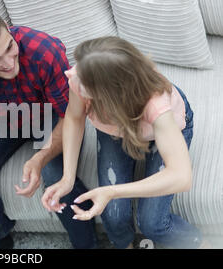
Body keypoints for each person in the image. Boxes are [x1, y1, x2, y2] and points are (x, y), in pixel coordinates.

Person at [0, 2, 97, 249]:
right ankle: (0, 243)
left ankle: (87, 244)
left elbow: (70, 116)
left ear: (7, 28)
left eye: (9, 47)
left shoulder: (44, 50)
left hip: (49, 115)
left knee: (53, 174)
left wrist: (41, 157)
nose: (8, 62)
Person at [42, 36, 207, 249]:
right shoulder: (80, 77)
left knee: (152, 223)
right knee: (113, 215)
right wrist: (67, 178)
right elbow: (74, 118)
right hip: (115, 130)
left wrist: (113, 191)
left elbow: (181, 177)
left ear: (109, 91)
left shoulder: (157, 105)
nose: (72, 77)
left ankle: (201, 243)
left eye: (83, 81)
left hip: (156, 132)